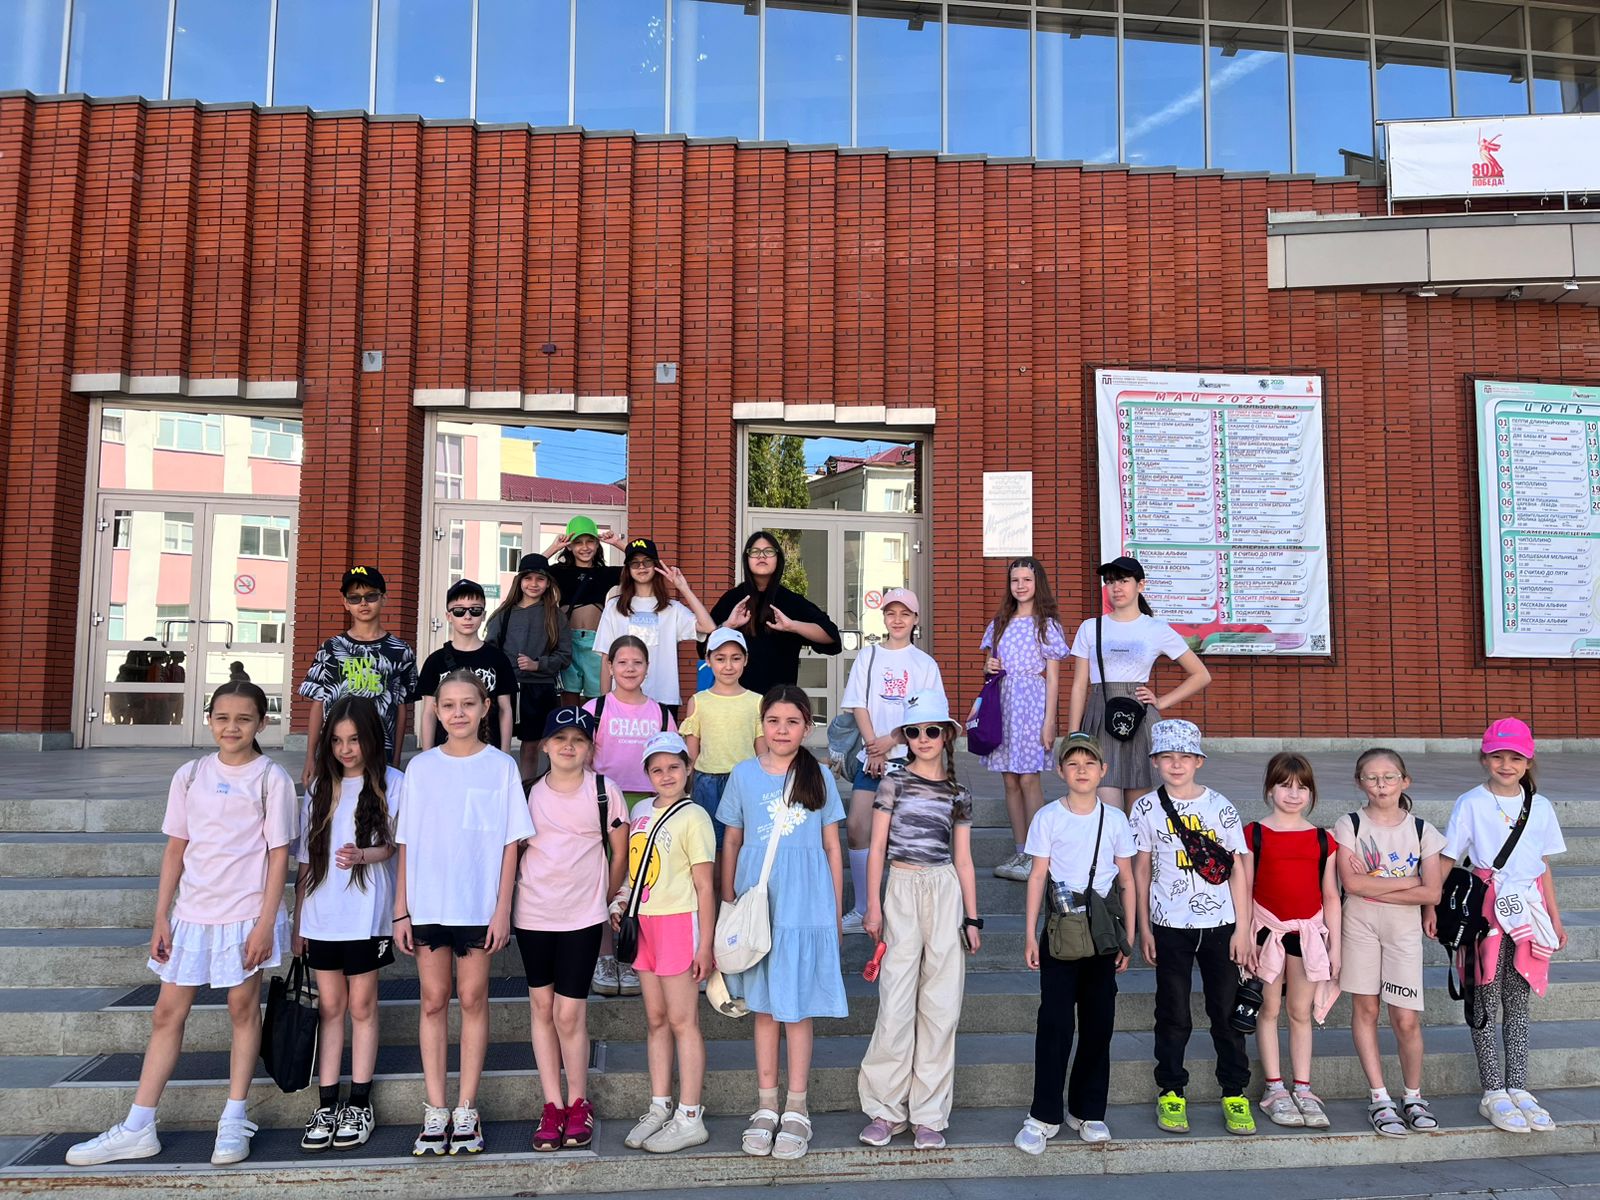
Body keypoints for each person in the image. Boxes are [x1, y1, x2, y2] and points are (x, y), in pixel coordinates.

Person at [66, 682, 296, 1168]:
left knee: (242, 1008)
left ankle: (234, 1118)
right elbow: (176, 849)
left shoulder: (270, 778)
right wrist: (161, 917)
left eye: (244, 719)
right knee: (166, 1013)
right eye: (222, 717)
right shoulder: (190, 775)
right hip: (191, 914)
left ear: (263, 723)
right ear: (209, 719)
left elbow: (280, 856)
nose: (232, 727)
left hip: (244, 914)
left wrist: (265, 923)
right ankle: (138, 1126)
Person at [393, 670, 534, 1156]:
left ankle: (466, 1108)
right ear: (435, 710)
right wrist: (400, 910)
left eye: (468, 704)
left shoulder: (501, 767)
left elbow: (511, 842)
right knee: (434, 1000)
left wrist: (502, 909)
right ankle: (436, 1108)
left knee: (473, 998)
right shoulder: (421, 768)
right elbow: (406, 841)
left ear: (485, 707)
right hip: (429, 901)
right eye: (449, 705)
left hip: (477, 904)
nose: (458, 713)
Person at [718, 685, 847, 1161]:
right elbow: (732, 839)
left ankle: (797, 1107)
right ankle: (766, 1104)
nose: (782, 730)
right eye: (773, 720)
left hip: (806, 905)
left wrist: (835, 911)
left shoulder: (820, 776)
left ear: (807, 727)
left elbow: (832, 847)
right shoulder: (744, 774)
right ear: (762, 724)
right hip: (759, 903)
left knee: (797, 1008)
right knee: (765, 1008)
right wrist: (727, 896)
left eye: (792, 722)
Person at [857, 691, 980, 1152]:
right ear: (905, 737)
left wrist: (972, 918)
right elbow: (877, 848)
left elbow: (963, 859)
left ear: (946, 734)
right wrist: (872, 905)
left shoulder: (959, 793)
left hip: (944, 889)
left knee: (941, 1005)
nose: (923, 738)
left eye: (931, 730)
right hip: (902, 887)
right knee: (895, 1002)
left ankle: (929, 1113)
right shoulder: (894, 782)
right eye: (913, 731)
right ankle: (885, 1109)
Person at [1438, 719, 1567, 1135]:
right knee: (1485, 997)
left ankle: (1518, 1087)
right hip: (1486, 911)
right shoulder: (1471, 803)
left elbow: (1543, 865)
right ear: (1484, 758)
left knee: (1518, 999)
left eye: (1515, 757)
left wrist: (1554, 917)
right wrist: (1430, 906)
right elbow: (1448, 857)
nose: (1506, 764)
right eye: (1497, 756)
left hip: (1527, 911)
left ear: (1528, 761)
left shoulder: (1540, 806)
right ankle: (1493, 1090)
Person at [1129, 718, 1254, 1137]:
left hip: (1221, 925)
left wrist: (1243, 928)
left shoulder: (1220, 806)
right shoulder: (1145, 808)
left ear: (1199, 761)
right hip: (1169, 924)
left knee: (1226, 1012)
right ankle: (1170, 1090)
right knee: (1173, 1012)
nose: (1176, 764)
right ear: (1155, 762)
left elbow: (1238, 869)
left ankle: (1234, 1091)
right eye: (1167, 757)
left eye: (1185, 756)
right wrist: (1145, 927)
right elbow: (1141, 869)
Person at [290, 695, 403, 1153]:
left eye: (354, 740)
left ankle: (359, 1101)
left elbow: (394, 846)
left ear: (371, 739)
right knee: (331, 1007)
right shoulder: (320, 786)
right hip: (322, 915)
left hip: (367, 915)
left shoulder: (392, 782)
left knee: (362, 1006)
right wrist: (298, 922)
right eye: (337, 741)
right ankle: (327, 1103)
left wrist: (363, 855)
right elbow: (304, 860)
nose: (345, 749)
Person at [515, 706, 629, 1152]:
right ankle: (553, 1104)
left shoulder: (604, 791)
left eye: (578, 740)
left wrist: (607, 898)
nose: (568, 746)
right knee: (542, 1008)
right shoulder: (528, 793)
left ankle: (579, 1101)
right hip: (534, 915)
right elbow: (513, 852)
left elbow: (619, 854)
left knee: (569, 1013)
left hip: (582, 917)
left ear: (590, 748)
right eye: (560, 738)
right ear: (544, 745)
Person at [1014, 732, 1135, 1154]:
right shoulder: (1048, 817)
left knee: (1099, 1023)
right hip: (1060, 931)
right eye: (1073, 763)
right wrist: (1029, 934)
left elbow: (1127, 879)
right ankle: (1043, 1114)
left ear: (1103, 770)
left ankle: (1088, 1110)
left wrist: (1129, 936)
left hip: (1103, 933)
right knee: (1055, 1024)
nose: (1081, 770)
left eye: (1089, 763)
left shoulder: (1116, 819)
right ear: (1060, 770)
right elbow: (1036, 876)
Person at [614, 731, 718, 1154]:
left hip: (678, 922)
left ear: (688, 768)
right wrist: (622, 900)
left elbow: (705, 885)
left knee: (682, 1020)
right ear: (647, 774)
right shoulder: (640, 811)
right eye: (656, 769)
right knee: (656, 1019)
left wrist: (705, 943)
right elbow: (635, 870)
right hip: (644, 924)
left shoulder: (695, 817)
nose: (666, 775)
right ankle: (660, 1106)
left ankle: (690, 1116)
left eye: (674, 766)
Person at [1332, 748, 1444, 1139]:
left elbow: (1432, 891)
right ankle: (1379, 1097)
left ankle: (1413, 1096)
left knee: (1405, 1018)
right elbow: (1352, 885)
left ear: (1404, 781)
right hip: (1359, 926)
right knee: (1366, 1007)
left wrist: (1376, 885)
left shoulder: (1422, 830)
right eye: (1372, 777)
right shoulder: (1349, 825)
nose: (1381, 785)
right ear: (1359, 782)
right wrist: (1410, 881)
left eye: (1389, 777)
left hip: (1404, 931)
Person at [839, 588, 946, 935]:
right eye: (891, 613)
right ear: (883, 617)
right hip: (873, 760)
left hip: (911, 761)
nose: (897, 620)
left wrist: (893, 740)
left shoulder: (924, 664)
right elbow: (858, 704)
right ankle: (862, 907)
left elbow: (931, 716)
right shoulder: (868, 656)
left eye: (905, 614)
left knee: (906, 835)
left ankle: (906, 912)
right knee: (857, 827)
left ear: (916, 619)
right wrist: (875, 747)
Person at [1244, 752, 1342, 1130]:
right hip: (1266, 933)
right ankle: (1274, 1088)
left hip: (1307, 935)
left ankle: (1303, 1087)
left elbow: (1330, 895)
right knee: (1268, 1009)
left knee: (1300, 1012)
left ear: (1312, 793)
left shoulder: (1323, 839)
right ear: (1270, 789)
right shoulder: (1254, 834)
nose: (1293, 794)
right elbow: (1245, 889)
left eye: (1302, 787)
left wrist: (1335, 946)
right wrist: (1245, 937)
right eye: (1285, 785)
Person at [1067, 557, 1211, 813]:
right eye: (1110, 582)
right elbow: (1079, 685)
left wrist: (1162, 702)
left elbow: (1201, 674)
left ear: (1140, 585)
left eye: (1123, 581)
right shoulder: (1090, 627)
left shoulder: (1155, 628)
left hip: (1140, 718)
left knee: (1138, 814)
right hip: (1100, 715)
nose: (1116, 588)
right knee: (1107, 808)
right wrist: (1073, 734)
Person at [584, 635, 678, 999]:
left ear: (647, 668)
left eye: (637, 662)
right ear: (609, 666)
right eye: (621, 662)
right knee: (605, 877)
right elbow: (582, 762)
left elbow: (674, 763)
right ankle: (605, 956)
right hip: (605, 802)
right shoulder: (595, 709)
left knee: (639, 881)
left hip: (648, 803)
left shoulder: (661, 714)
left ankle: (631, 952)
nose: (629, 669)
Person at [977, 557, 1069, 883]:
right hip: (1003, 703)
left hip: (1031, 703)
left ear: (1037, 582)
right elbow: (990, 663)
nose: (1020, 585)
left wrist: (1050, 721)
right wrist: (988, 666)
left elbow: (1054, 679)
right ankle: (1020, 850)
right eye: (1015, 580)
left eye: (1026, 580)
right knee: (1009, 780)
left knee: (1029, 778)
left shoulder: (1046, 624)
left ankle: (1037, 852)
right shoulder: (1000, 622)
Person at [298, 566, 418, 786]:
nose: (363, 603)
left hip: (379, 751)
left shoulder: (400, 650)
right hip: (336, 752)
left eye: (371, 596)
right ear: (345, 603)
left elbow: (401, 708)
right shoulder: (330, 648)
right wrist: (310, 757)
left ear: (384, 599)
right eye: (354, 598)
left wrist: (396, 759)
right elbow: (318, 703)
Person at [710, 530, 842, 695]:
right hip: (735, 699)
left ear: (778, 558)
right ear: (747, 558)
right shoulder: (733, 600)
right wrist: (728, 625)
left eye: (769, 551)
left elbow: (832, 638)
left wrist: (793, 626)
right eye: (755, 551)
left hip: (779, 700)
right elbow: (703, 646)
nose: (762, 556)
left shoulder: (791, 601)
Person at [594, 538, 716, 711]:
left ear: (656, 566)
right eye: (635, 563)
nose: (641, 567)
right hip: (622, 699)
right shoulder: (614, 607)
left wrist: (683, 588)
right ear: (627, 569)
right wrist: (604, 703)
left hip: (663, 698)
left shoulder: (672, 608)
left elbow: (708, 627)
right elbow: (606, 657)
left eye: (647, 562)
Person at [484, 556, 571, 780]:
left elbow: (564, 656)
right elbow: (489, 651)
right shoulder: (504, 614)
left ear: (548, 583)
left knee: (533, 746)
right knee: (496, 744)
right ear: (519, 581)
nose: (533, 584)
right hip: (506, 690)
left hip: (540, 689)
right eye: (528, 578)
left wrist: (539, 664)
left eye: (540, 579)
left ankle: (528, 790)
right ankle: (499, 787)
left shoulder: (555, 615)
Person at [679, 627, 764, 852]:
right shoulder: (698, 701)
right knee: (709, 845)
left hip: (745, 781)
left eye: (735, 658)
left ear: (745, 660)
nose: (728, 666)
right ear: (708, 660)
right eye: (720, 658)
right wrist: (686, 788)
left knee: (742, 843)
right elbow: (691, 753)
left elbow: (763, 753)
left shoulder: (757, 701)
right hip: (707, 783)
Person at [417, 577, 517, 753]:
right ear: (448, 616)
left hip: (489, 750)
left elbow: (505, 709)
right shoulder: (435, 661)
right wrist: (427, 754)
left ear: (483, 615)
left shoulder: (498, 659)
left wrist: (505, 752)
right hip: (446, 750)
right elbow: (429, 712)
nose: (467, 616)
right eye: (459, 611)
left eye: (475, 610)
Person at [544, 516, 626, 705]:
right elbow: (529, 567)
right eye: (578, 542)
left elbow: (645, 564)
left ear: (597, 544)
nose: (585, 547)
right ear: (569, 546)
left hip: (596, 643)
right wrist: (554, 547)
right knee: (569, 702)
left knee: (596, 701)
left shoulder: (605, 573)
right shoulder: (559, 571)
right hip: (567, 643)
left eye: (590, 541)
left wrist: (618, 543)